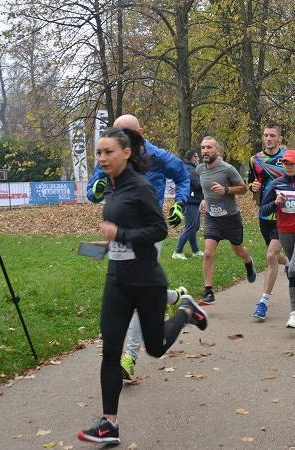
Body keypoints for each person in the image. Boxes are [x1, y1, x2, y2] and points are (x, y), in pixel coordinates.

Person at [77, 127, 208, 444]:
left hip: (147, 281)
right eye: (99, 152)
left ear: (125, 152)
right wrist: (107, 245)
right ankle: (110, 424)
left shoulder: (140, 187)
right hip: (117, 279)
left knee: (156, 347)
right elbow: (123, 229)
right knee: (110, 350)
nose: (102, 158)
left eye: (108, 152)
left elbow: (159, 230)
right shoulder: (111, 188)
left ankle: (186, 312)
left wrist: (119, 236)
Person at [86, 114, 191, 381]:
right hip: (119, 230)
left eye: (127, 133)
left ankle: (129, 358)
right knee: (137, 288)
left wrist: (178, 203)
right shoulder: (110, 154)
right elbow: (92, 190)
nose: (122, 137)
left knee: (135, 293)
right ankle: (176, 299)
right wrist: (96, 189)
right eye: (118, 132)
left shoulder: (158, 156)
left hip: (147, 232)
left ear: (139, 135)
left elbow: (183, 176)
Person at [259, 150, 295, 328]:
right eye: (285, 163)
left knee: (292, 268)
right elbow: (264, 210)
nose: (288, 166)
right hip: (284, 232)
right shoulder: (277, 184)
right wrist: (275, 202)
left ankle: (294, 314)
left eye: (292, 163)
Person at [196, 136, 256, 305]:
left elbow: (243, 189)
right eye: (203, 148)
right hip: (212, 218)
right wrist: (203, 199)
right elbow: (205, 189)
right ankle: (208, 291)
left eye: (209, 147)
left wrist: (226, 189)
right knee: (208, 253)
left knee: (238, 250)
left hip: (230, 218)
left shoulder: (227, 169)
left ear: (218, 151)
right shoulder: (200, 169)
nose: (205, 151)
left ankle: (248, 262)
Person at [248, 123, 289, 320]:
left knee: (271, 256)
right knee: (274, 256)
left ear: (280, 138)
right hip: (265, 214)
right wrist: (253, 186)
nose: (269, 139)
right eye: (266, 135)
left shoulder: (289, 157)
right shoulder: (255, 159)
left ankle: (263, 302)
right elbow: (253, 182)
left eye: (273, 135)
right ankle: (289, 264)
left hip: (285, 213)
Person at [172, 150, 204, 259]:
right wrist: (206, 181)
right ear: (191, 158)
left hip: (193, 200)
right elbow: (197, 185)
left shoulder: (188, 168)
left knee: (194, 227)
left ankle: (195, 250)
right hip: (191, 201)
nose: (198, 158)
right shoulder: (190, 169)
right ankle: (177, 252)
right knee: (191, 226)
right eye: (196, 156)